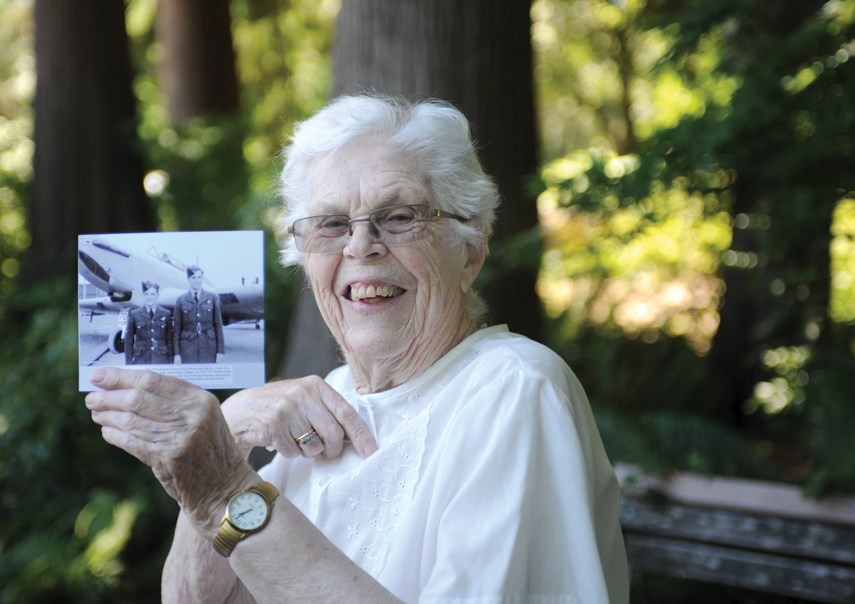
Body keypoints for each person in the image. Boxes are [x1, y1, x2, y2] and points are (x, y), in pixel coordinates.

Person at [85, 95, 629, 603]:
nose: (360, 246)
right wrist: (218, 459)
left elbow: (236, 510)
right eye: (331, 224)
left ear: (469, 253)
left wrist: (228, 490)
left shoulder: (514, 388)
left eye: (399, 217)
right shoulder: (324, 401)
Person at [173, 265, 225, 364]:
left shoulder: (212, 297)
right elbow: (176, 329)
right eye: (193, 278)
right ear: (188, 279)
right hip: (187, 348)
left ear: (202, 279)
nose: (196, 280)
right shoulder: (181, 300)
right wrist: (176, 354)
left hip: (209, 346)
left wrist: (220, 351)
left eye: (199, 277)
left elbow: (218, 325)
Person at [124, 281, 173, 365]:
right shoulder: (134, 314)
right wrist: (128, 363)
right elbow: (129, 342)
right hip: (141, 359)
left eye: (152, 294)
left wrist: (171, 360)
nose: (149, 297)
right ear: (143, 295)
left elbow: (169, 340)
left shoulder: (166, 314)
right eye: (146, 294)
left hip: (161, 359)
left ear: (157, 295)